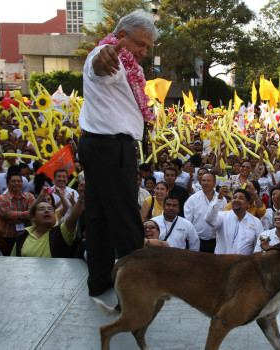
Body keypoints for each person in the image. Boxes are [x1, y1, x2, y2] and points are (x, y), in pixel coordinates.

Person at [77, 10, 158, 296]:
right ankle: (139, 288)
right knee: (126, 219)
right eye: (140, 44)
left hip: (100, 146)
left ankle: (100, 281)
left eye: (147, 47)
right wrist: (102, 58)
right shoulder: (106, 55)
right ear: (121, 35)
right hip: (110, 148)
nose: (144, 52)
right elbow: (99, 70)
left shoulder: (124, 61)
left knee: (98, 217)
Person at [11, 182, 85, 258]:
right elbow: (14, 262)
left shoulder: (60, 233)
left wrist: (81, 198)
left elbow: (73, 218)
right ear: (33, 217)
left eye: (50, 209)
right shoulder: (23, 236)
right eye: (42, 209)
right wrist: (40, 197)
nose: (47, 211)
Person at [205, 187, 264, 255]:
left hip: (244, 263)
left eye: (241, 198)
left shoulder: (255, 222)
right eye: (235, 197)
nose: (237, 200)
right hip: (221, 262)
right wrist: (219, 198)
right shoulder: (223, 216)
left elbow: (260, 243)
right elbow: (209, 220)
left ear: (248, 204)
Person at [0, 171, 35, 255]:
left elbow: (33, 213)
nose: (16, 183)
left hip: (26, 235)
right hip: (8, 236)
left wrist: (14, 216)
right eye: (13, 181)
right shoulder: (0, 199)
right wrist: (26, 215)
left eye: (19, 181)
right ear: (7, 184)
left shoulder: (30, 196)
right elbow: (6, 215)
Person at [184, 172, 227, 253]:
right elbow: (188, 222)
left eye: (208, 181)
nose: (205, 183)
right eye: (203, 181)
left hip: (216, 240)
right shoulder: (192, 199)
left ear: (214, 183)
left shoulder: (222, 199)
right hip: (198, 240)